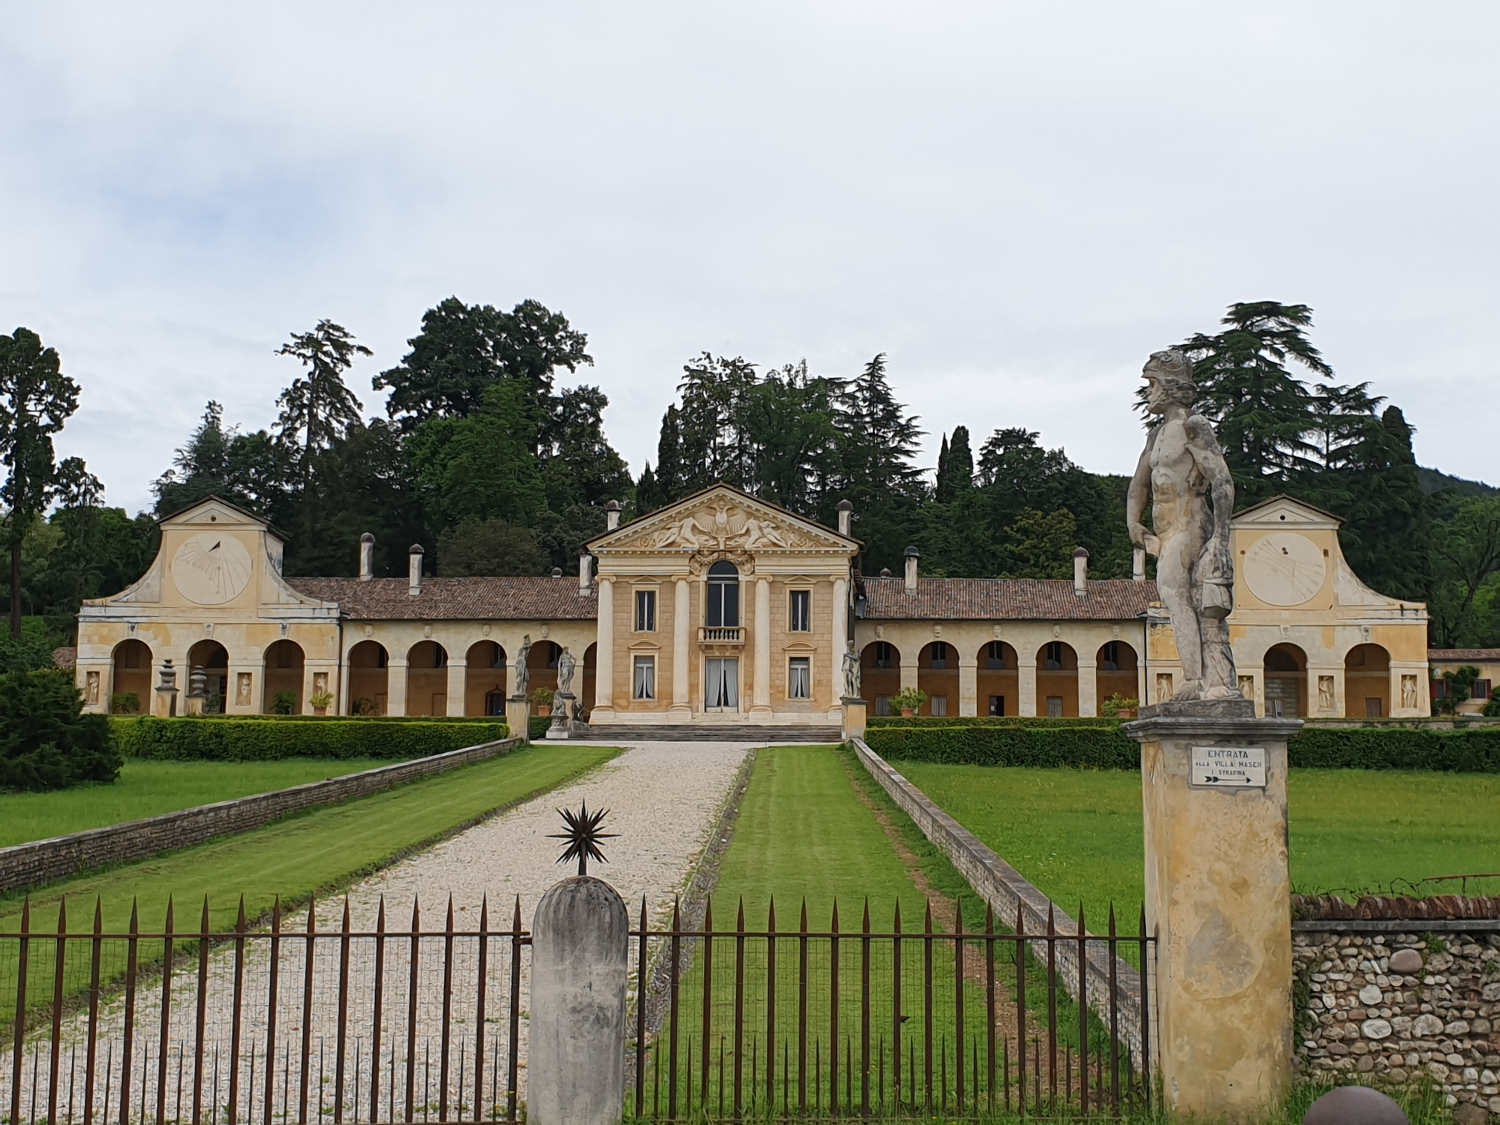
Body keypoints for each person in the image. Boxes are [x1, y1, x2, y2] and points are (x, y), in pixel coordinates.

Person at [1126, 349, 1240, 701]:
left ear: (1171, 387)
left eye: (1152, 383)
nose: (1149, 392)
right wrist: (1133, 522)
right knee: (1182, 597)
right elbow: (1139, 484)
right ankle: (1206, 680)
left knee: (1177, 592)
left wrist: (1221, 537)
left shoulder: (1194, 426)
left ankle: (1198, 681)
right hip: (1165, 530)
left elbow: (1222, 480)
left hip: (1191, 522)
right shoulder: (1155, 436)